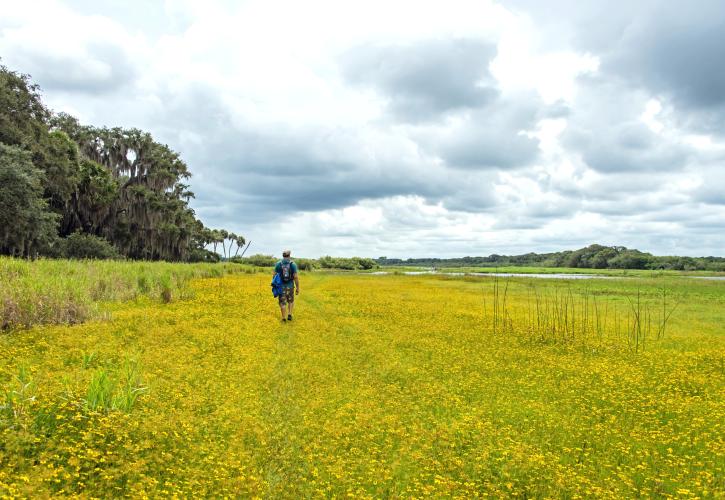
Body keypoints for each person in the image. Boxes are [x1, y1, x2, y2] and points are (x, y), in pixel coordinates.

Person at [274, 249, 299, 322]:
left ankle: (283, 318)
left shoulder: (278, 264)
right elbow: (296, 277)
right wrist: (297, 288)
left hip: (281, 287)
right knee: (291, 301)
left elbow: (274, 275)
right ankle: (290, 314)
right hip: (290, 286)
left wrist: (276, 285)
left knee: (282, 302)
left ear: (283, 256)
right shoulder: (292, 264)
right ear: (289, 255)